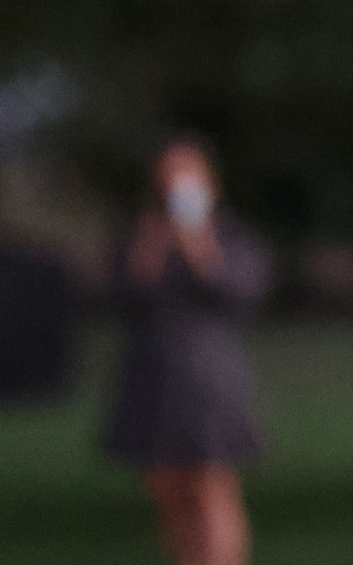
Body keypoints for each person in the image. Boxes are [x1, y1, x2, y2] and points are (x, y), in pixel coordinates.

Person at [102, 136, 272, 565]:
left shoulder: (230, 237)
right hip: (152, 376)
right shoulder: (141, 236)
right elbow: (117, 295)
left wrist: (199, 249)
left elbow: (244, 290)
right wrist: (150, 251)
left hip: (209, 380)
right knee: (166, 486)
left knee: (211, 484)